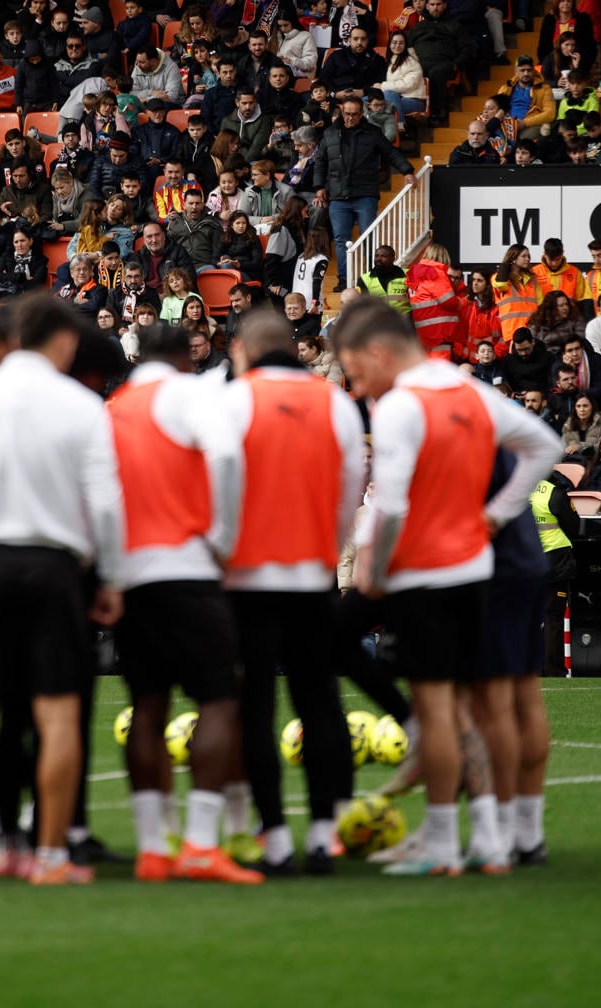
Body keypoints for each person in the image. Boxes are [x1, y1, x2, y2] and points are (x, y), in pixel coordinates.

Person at [333, 298, 559, 875]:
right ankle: (491, 836)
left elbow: (393, 503)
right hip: (475, 568)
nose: (358, 391)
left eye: (358, 374)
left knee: (441, 709)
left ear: (379, 353)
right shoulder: (470, 390)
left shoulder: (402, 406)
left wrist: (373, 570)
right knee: (468, 704)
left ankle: (443, 844)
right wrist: (496, 515)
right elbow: (546, 447)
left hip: (425, 572)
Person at [0, 296, 125, 886]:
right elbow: (106, 503)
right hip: (54, 567)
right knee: (57, 714)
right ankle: (53, 857)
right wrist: (110, 575)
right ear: (60, 341)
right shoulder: (81, 406)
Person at [107, 324, 263, 885]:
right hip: (187, 568)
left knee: (148, 707)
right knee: (220, 700)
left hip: (130, 572)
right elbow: (225, 453)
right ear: (182, 358)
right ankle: (200, 842)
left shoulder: (116, 407)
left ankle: (153, 848)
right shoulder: (189, 393)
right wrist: (221, 538)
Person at [218, 308, 366, 875]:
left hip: (247, 578)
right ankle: (326, 832)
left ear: (246, 350)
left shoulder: (233, 402)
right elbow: (351, 487)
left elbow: (221, 489)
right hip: (309, 575)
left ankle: (274, 835)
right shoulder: (333, 402)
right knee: (319, 703)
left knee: (254, 708)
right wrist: (325, 547)